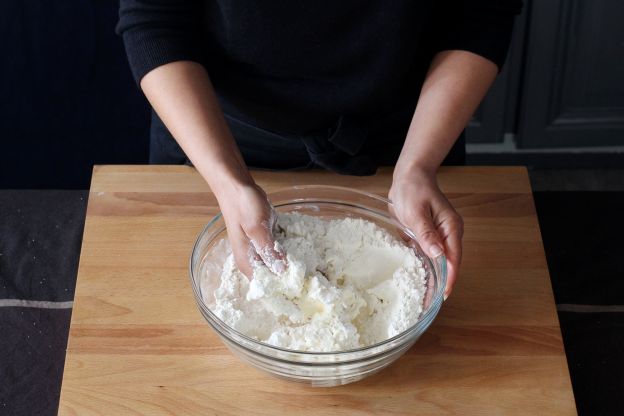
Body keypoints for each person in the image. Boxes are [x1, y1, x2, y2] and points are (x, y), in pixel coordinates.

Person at [117, 1, 522, 298]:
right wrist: (228, 183)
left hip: (410, 140)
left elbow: (479, 17)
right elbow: (154, 20)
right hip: (214, 142)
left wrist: (417, 166)